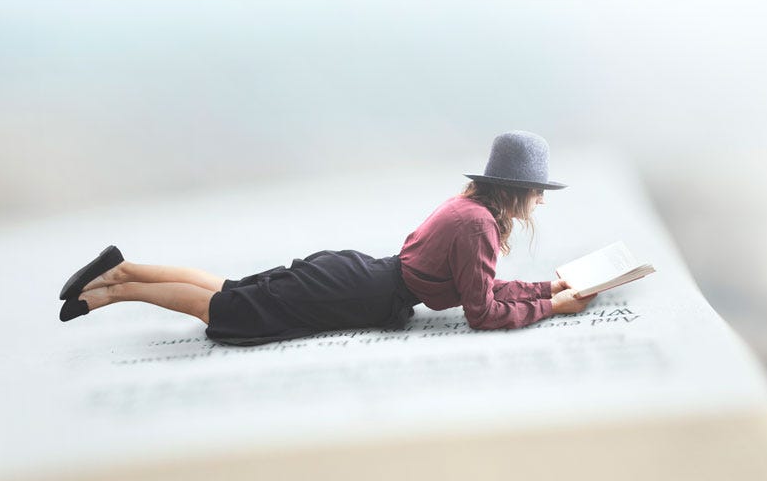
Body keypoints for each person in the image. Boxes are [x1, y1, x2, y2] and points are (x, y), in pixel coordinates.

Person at [58, 131, 594, 345]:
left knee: (235, 289)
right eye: (537, 190)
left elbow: (485, 290)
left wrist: (548, 290)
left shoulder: (468, 206)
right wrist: (551, 309)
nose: (541, 199)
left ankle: (119, 273)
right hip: (361, 289)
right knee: (228, 308)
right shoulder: (477, 224)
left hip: (360, 275)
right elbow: (483, 312)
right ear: (517, 189)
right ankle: (116, 284)